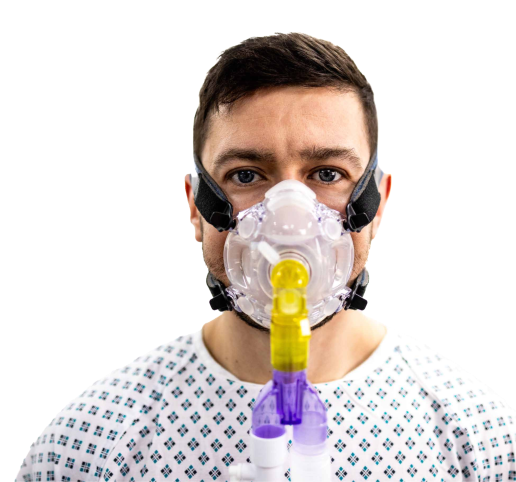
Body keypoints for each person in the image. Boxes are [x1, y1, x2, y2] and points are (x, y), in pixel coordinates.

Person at [14, 31, 515, 482]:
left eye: (327, 174)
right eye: (246, 175)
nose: (290, 219)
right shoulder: (88, 447)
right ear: (196, 205)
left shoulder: (484, 437)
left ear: (376, 202)